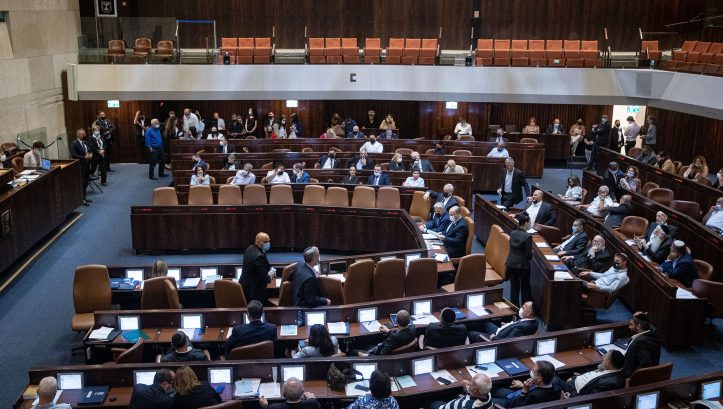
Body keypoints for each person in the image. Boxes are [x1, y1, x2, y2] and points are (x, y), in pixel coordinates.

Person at [491, 360, 559, 407]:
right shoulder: (553, 386)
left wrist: (525, 390)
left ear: (539, 378)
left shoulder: (535, 396)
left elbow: (519, 406)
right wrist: (522, 385)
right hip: (515, 394)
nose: (531, 371)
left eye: (533, 371)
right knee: (492, 388)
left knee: (488, 401)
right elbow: (537, 388)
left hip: (511, 403)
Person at [622, 311, 661, 378]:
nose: (629, 327)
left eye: (631, 324)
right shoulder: (653, 334)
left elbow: (646, 362)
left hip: (630, 379)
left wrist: (631, 378)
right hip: (651, 375)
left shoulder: (639, 342)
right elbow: (651, 327)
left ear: (638, 326)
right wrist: (644, 317)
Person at [505, 212, 533, 306]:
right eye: (529, 223)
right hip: (522, 266)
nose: (530, 224)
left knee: (514, 287)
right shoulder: (528, 236)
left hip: (511, 264)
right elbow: (528, 254)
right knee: (525, 288)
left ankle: (514, 308)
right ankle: (525, 309)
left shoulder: (512, 232)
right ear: (525, 224)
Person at [241, 232, 276, 304]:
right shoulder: (259, 257)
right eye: (266, 242)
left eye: (269, 241)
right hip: (254, 294)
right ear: (258, 242)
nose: (268, 243)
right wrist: (271, 274)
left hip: (245, 288)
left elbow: (262, 266)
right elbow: (265, 279)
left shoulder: (250, 248)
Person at [70, 129, 93, 206]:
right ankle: (81, 199)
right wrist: (84, 157)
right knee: (81, 182)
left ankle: (84, 197)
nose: (84, 135)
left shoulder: (85, 142)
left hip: (86, 165)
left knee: (86, 182)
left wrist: (90, 154)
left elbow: (90, 149)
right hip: (80, 166)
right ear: (78, 135)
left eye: (84, 134)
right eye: (83, 134)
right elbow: (74, 155)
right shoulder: (74, 143)